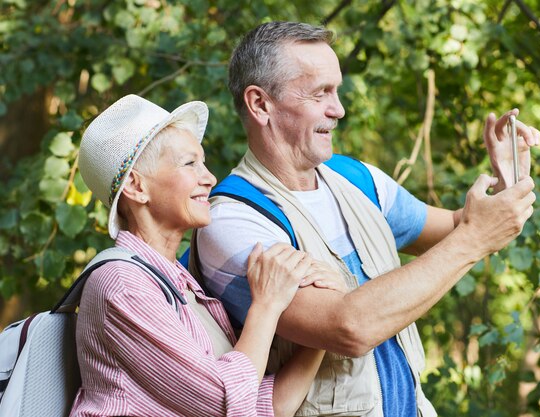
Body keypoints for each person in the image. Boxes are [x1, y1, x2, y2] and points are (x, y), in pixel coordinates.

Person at [194, 22, 540, 417]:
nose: (338, 109)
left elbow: (457, 230)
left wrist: (507, 184)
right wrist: (475, 238)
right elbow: (347, 328)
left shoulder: (357, 179)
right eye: (319, 92)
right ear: (260, 104)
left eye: (337, 91)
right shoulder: (232, 221)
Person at [71, 94, 347, 417]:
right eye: (189, 164)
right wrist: (267, 305)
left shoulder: (178, 282)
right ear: (136, 187)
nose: (210, 178)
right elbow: (219, 404)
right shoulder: (122, 285)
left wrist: (322, 332)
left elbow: (260, 407)